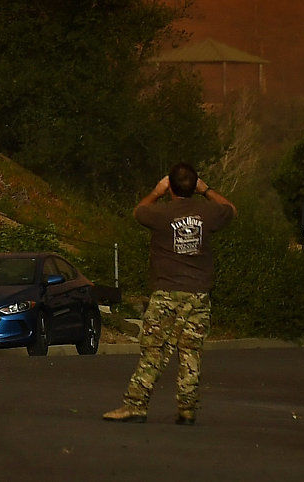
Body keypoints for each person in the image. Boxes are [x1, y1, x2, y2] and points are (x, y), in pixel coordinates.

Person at [103, 162, 234, 425]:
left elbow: (138, 211)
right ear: (194, 187)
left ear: (170, 187)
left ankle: (135, 405)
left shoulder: (161, 214)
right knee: (190, 352)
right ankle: (187, 408)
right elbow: (231, 209)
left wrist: (156, 191)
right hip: (198, 294)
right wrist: (206, 189)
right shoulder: (207, 213)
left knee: (153, 350)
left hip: (167, 293)